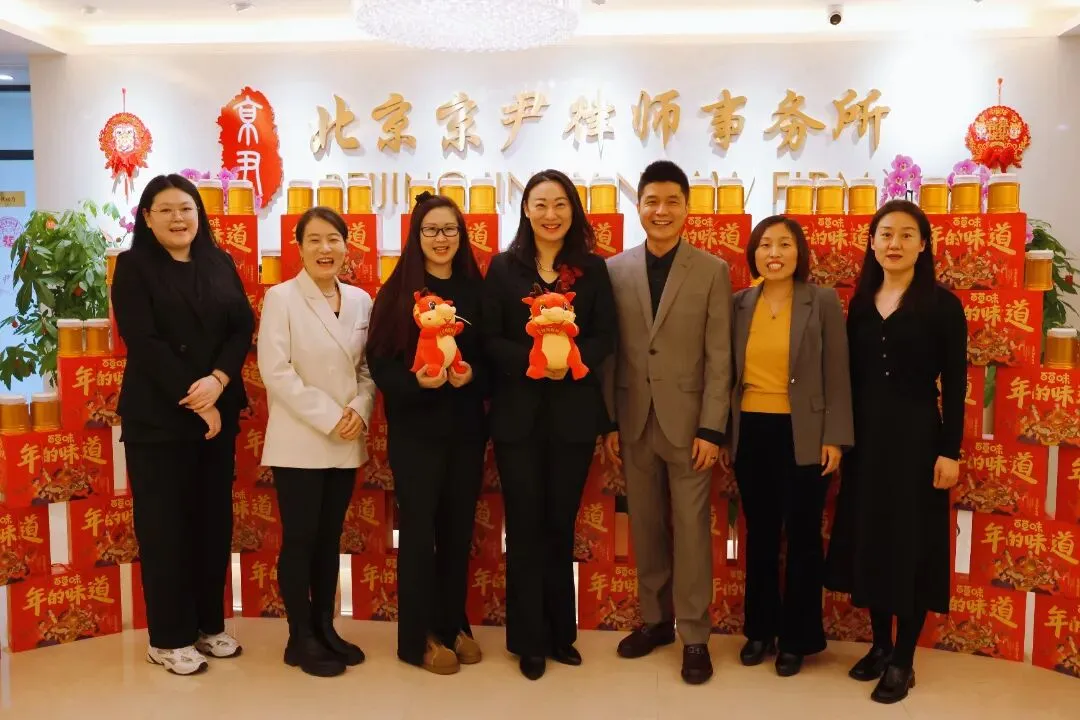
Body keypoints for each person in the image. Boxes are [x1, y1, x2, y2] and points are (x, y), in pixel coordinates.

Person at [112, 174, 254, 676]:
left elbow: (241, 327)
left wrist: (219, 380)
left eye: (187, 208)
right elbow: (143, 340)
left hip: (217, 413)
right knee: (165, 529)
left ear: (200, 215)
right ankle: (168, 638)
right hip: (159, 419)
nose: (178, 218)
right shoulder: (133, 267)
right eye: (166, 209)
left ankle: (209, 625)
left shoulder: (220, 262)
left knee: (212, 525)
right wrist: (199, 400)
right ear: (147, 218)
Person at [826, 199, 966, 704]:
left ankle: (904, 658)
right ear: (871, 242)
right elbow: (848, 377)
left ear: (923, 244)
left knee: (910, 545)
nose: (895, 243)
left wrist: (950, 451)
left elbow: (955, 384)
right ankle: (880, 645)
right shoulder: (861, 302)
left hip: (917, 441)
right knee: (872, 541)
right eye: (886, 234)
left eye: (907, 235)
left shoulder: (943, 305)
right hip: (866, 442)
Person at [481, 169, 616, 680]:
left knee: (560, 524)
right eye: (540, 204)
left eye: (560, 204)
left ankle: (562, 633)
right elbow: (489, 338)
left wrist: (571, 360)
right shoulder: (504, 268)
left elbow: (605, 336)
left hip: (573, 417)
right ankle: (529, 640)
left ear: (572, 210)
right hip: (518, 418)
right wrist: (534, 361)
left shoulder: (592, 269)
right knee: (525, 524)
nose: (550, 214)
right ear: (526, 210)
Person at [602, 160, 732, 685]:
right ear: (638, 207)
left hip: (690, 425)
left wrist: (712, 428)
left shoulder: (712, 270)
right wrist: (610, 421)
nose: (661, 211)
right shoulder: (615, 270)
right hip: (633, 419)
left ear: (686, 208)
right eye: (651, 201)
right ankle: (655, 621)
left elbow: (719, 356)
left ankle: (694, 635)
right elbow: (610, 353)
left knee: (692, 531)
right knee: (647, 526)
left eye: (671, 201)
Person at [718, 216, 853, 678]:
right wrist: (726, 435)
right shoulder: (739, 303)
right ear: (753, 254)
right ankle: (759, 631)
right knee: (758, 535)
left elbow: (837, 370)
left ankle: (797, 638)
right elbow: (726, 374)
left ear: (800, 253)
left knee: (803, 537)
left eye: (784, 244)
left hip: (806, 432)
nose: (774, 253)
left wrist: (835, 436)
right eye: (765, 245)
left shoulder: (822, 300)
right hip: (752, 430)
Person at [366, 192, 487, 675]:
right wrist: (415, 382)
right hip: (416, 433)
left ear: (461, 236)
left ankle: (452, 623)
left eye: (450, 229)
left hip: (466, 432)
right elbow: (379, 364)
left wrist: (472, 375)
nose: (441, 239)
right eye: (432, 230)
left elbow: (493, 357)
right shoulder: (397, 293)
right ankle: (416, 639)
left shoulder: (476, 291)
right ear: (416, 237)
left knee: (457, 533)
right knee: (419, 535)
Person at [258, 207, 376, 678]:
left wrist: (359, 410)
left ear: (347, 246)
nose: (325, 249)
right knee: (301, 539)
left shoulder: (362, 300)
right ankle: (299, 636)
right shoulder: (281, 298)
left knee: (329, 540)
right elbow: (276, 371)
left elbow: (366, 370)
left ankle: (325, 628)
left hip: (347, 436)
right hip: (300, 438)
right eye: (315, 240)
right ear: (300, 247)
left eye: (333, 239)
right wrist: (331, 417)